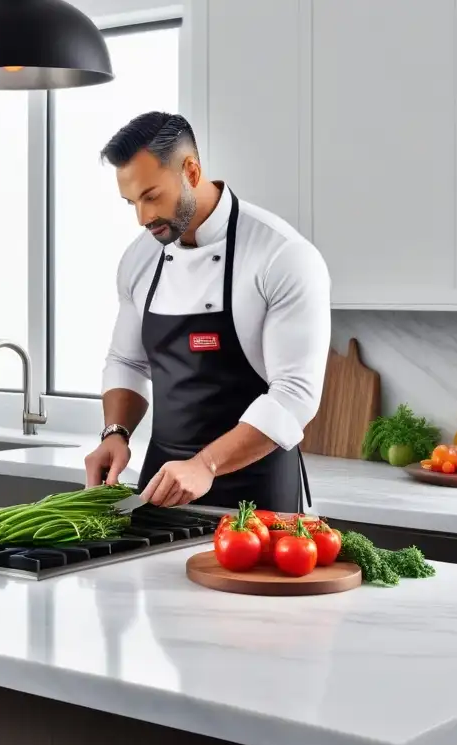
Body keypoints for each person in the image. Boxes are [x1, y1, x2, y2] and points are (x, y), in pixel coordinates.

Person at [84, 111, 331, 512]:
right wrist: (115, 433)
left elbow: (295, 395)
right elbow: (126, 361)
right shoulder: (140, 258)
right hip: (162, 491)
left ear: (191, 171)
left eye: (151, 196)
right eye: (132, 202)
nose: (143, 218)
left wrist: (205, 464)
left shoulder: (282, 255)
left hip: (259, 496)